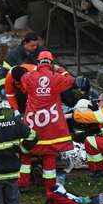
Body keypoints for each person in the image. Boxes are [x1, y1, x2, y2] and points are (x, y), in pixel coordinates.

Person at [19, 51, 75, 190]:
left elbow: (23, 81)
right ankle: (50, 187)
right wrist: (60, 70)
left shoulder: (29, 77)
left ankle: (23, 184)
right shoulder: (57, 77)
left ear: (38, 62)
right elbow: (71, 80)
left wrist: (36, 70)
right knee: (49, 155)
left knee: (25, 153)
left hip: (33, 123)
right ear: (51, 63)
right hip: (51, 125)